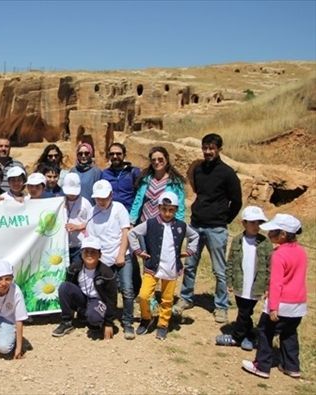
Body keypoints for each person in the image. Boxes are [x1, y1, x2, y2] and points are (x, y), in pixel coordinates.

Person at [175, 133, 242, 323]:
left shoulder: (227, 173)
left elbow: (236, 201)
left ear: (219, 149)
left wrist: (223, 219)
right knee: (190, 265)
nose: (208, 151)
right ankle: (186, 298)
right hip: (196, 224)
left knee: (219, 270)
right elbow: (199, 192)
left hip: (216, 228)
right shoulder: (198, 170)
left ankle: (221, 306)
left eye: (212, 148)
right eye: (205, 148)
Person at [242, 214, 307, 379]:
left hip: (281, 304)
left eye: (272, 231)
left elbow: (276, 283)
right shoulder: (301, 252)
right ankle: (291, 366)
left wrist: (273, 307)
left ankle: (262, 365)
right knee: (289, 333)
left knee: (265, 332)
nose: (269, 234)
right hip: (298, 305)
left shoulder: (278, 254)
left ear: (283, 235)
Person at [128, 192, 199, 340]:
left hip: (171, 269)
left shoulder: (181, 226)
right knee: (143, 295)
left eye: (171, 210)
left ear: (176, 210)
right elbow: (132, 233)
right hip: (152, 267)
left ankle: (163, 324)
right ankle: (146, 318)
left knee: (167, 300)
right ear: (159, 208)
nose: (167, 213)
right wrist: (139, 251)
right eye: (164, 209)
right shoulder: (150, 223)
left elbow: (195, 236)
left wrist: (190, 251)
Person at [216, 206, 272, 350]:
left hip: (255, 284)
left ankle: (237, 337)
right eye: (252, 223)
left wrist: (267, 286)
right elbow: (230, 262)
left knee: (245, 311)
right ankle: (250, 335)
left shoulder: (265, 243)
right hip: (240, 283)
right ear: (244, 223)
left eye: (258, 223)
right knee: (244, 309)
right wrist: (229, 280)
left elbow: (269, 266)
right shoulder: (237, 241)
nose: (256, 226)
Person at [85, 180, 135, 339]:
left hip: (121, 256)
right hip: (103, 259)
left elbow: (125, 232)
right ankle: (105, 321)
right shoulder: (92, 212)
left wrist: (121, 254)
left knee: (127, 289)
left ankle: (128, 322)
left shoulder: (119, 209)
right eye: (98, 198)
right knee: (103, 292)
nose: (101, 201)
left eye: (104, 198)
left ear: (111, 195)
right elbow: (92, 238)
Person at [52, 236, 117, 340]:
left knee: (94, 318)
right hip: (83, 297)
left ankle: (94, 320)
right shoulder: (74, 267)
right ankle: (67, 322)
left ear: (100, 254)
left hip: (98, 300)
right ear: (81, 254)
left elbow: (112, 299)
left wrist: (109, 323)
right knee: (64, 287)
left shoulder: (107, 273)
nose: (89, 254)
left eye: (93, 252)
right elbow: (69, 289)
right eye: (86, 251)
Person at [130, 146, 186, 224]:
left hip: (164, 224)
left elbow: (180, 206)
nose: (156, 162)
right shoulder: (145, 180)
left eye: (160, 159)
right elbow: (138, 200)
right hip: (144, 223)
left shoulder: (175, 182)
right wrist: (132, 221)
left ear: (166, 160)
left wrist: (179, 224)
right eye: (153, 160)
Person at [99, 143, 141, 213]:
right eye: (112, 154)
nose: (115, 156)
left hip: (128, 213)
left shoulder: (133, 172)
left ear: (124, 155)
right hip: (110, 214)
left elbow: (139, 196)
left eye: (118, 154)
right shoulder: (105, 174)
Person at [62, 173, 92, 266]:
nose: (71, 194)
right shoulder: (60, 202)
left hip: (79, 245)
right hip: (64, 245)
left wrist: (78, 227)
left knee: (76, 270)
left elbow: (91, 222)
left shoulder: (85, 203)